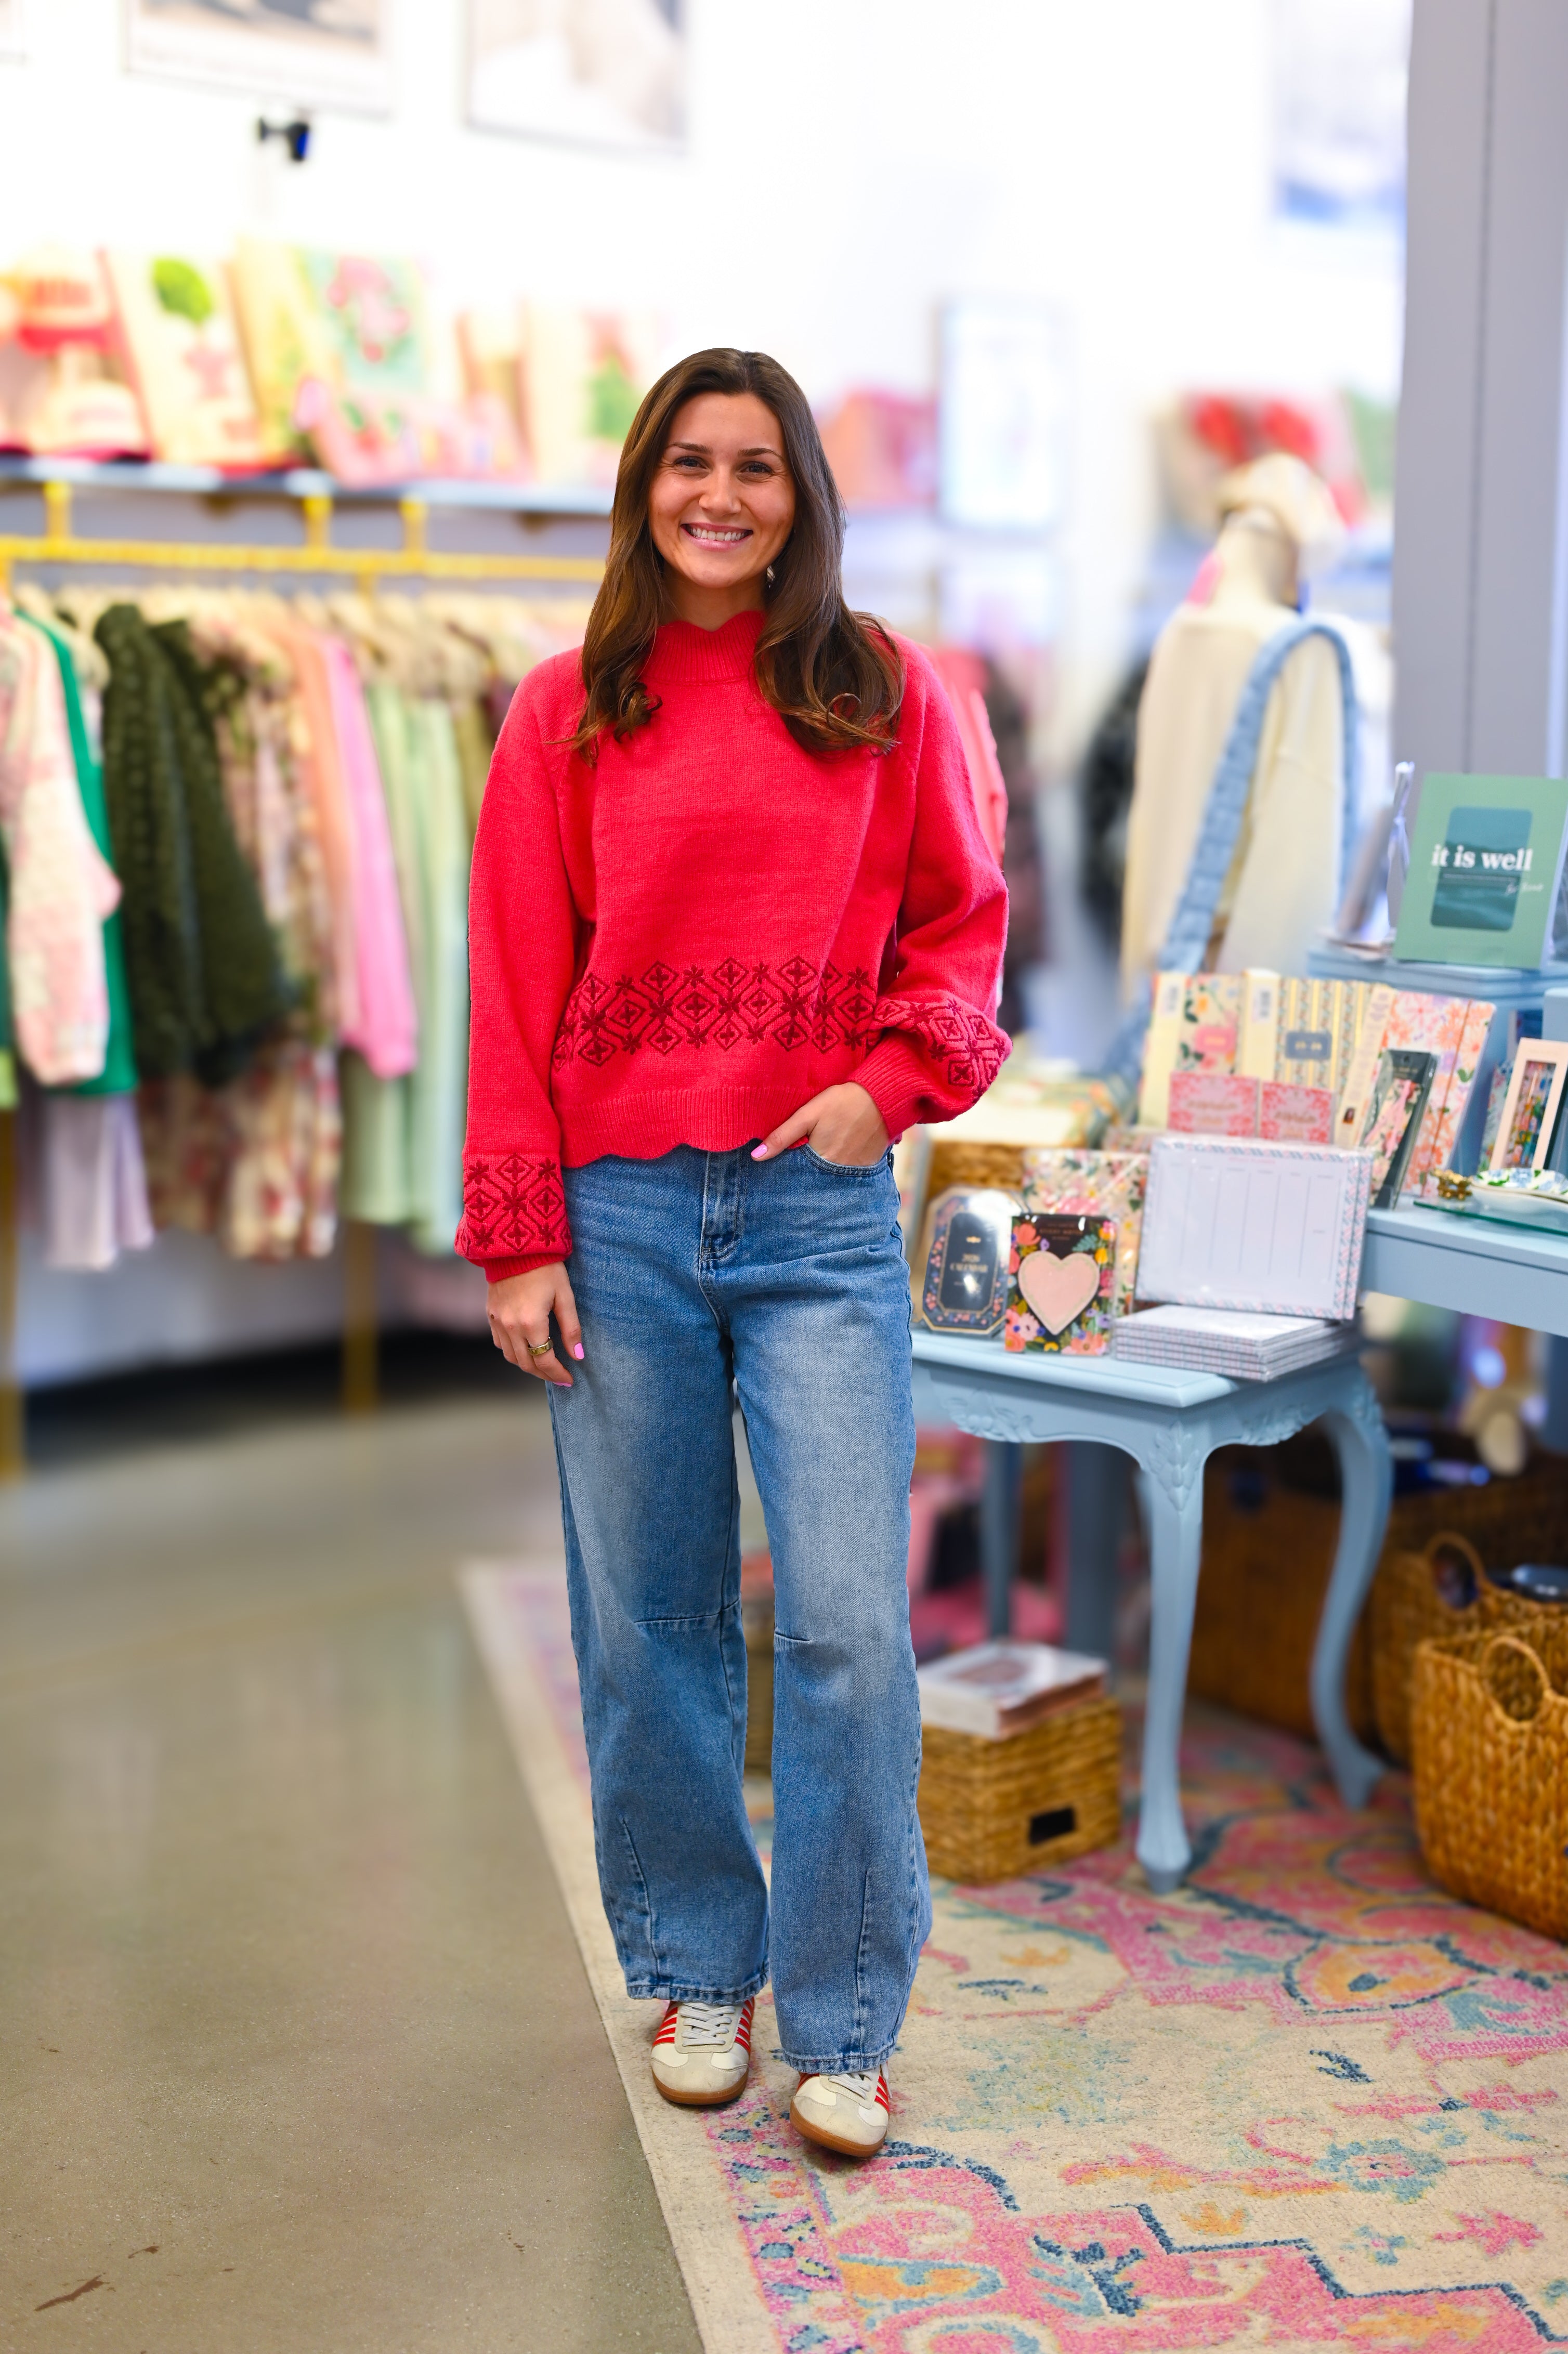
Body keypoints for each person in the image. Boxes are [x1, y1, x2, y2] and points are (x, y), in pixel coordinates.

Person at [460, 347, 1007, 2158]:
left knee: (850, 1617)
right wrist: (517, 1240)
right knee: (653, 1625)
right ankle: (704, 1968)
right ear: (643, 487)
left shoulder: (883, 695)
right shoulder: (566, 711)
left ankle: (844, 2018)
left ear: (802, 498)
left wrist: (885, 1087)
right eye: (688, 465)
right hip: (616, 1217)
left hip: (816, 1213)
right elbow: (515, 991)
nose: (719, 497)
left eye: (756, 468)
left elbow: (963, 926)